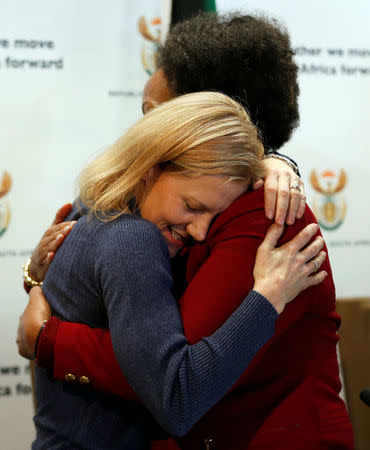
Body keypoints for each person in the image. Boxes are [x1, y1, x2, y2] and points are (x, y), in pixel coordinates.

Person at [18, 13, 353, 449]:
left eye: (158, 112)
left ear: (204, 118)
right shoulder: (129, 216)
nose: (144, 128)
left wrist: (50, 338)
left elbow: (175, 380)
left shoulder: (265, 211)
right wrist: (37, 277)